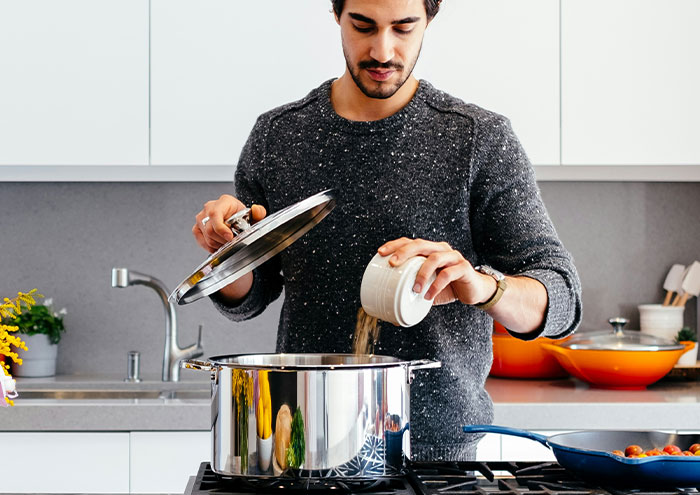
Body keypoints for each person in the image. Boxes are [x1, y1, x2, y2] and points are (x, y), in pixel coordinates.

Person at [192, 0, 582, 461]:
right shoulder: (279, 136)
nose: (382, 50)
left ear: (430, 21)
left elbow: (560, 302)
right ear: (336, 15)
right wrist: (229, 254)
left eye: (403, 28)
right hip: (304, 442)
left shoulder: (478, 138)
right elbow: (251, 298)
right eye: (363, 26)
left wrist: (483, 287)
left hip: (436, 452)